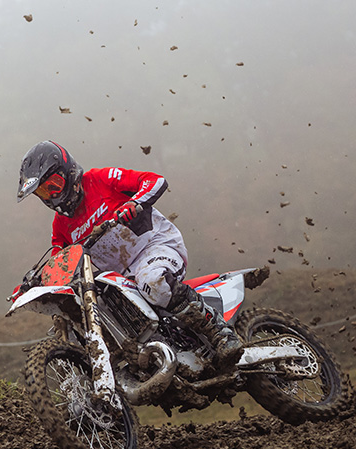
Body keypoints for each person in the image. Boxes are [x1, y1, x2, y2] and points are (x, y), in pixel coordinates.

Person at [16, 140, 242, 365]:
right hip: (121, 277)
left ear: (69, 172)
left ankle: (220, 333)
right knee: (87, 312)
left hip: (156, 246)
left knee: (152, 281)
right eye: (43, 192)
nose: (51, 196)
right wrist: (33, 284)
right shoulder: (60, 225)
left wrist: (133, 203)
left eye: (53, 185)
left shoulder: (100, 179)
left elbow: (155, 181)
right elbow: (57, 261)